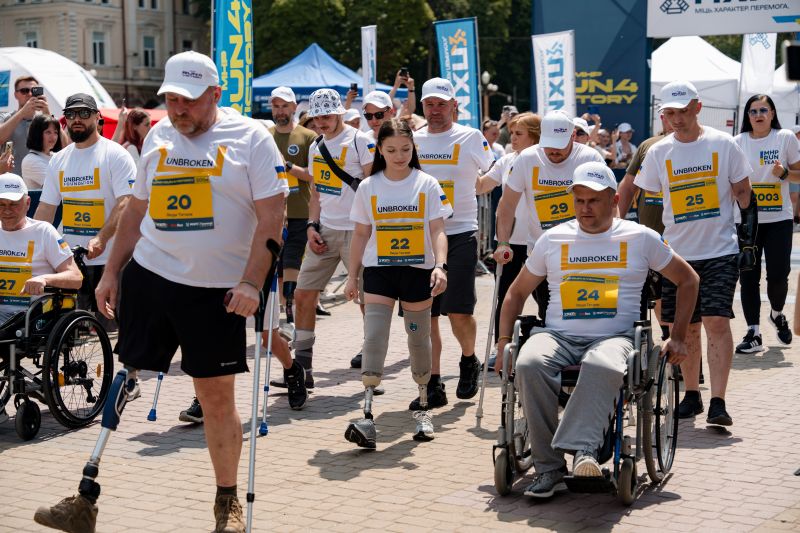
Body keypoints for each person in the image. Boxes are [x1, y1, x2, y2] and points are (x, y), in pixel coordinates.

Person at [34, 50, 288, 533]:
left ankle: (227, 503)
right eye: (171, 99)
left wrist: (252, 282)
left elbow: (271, 218)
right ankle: (84, 500)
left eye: (188, 100)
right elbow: (136, 210)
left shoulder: (251, 138)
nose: (178, 109)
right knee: (124, 377)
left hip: (216, 291)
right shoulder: (159, 135)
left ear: (215, 94)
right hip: (152, 276)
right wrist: (112, 272)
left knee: (215, 399)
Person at [494, 161, 698, 498]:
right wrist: (503, 342)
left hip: (615, 337)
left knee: (602, 364)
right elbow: (515, 293)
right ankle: (549, 469)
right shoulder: (552, 238)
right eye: (579, 201)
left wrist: (677, 336)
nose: (585, 208)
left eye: (594, 200)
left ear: (614, 199)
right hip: (557, 335)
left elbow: (688, 279)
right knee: (528, 363)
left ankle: (584, 452)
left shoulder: (640, 238)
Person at [635, 80, 755, 426]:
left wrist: (749, 241)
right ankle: (692, 394)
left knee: (717, 320)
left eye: (683, 111)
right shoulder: (659, 152)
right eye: (670, 113)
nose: (677, 119)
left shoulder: (724, 144)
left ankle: (718, 401)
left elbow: (744, 194)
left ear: (697, 107)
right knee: (685, 327)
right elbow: (647, 198)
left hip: (720, 250)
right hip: (677, 255)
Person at [343, 118, 451, 448]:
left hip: (417, 272)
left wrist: (440, 266)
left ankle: (423, 407)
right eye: (391, 150)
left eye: (405, 149)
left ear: (413, 148)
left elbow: (437, 229)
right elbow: (361, 233)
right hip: (379, 272)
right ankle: (367, 412)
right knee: (374, 337)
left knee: (418, 339)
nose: (399, 156)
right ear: (380, 150)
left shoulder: (427, 183)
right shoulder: (368, 186)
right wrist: (352, 275)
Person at [277, 88, 374, 387]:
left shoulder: (360, 141)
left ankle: (373, 368)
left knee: (368, 301)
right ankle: (303, 370)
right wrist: (311, 225)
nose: (321, 122)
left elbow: (374, 186)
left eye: (327, 116)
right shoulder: (317, 146)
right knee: (303, 294)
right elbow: (317, 191)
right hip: (325, 230)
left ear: (339, 113)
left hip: (359, 231)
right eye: (317, 117)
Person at [409, 77, 494, 409]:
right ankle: (433, 384)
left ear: (454, 106)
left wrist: (479, 188)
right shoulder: (413, 140)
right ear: (423, 106)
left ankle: (469, 359)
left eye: (441, 104)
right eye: (429, 104)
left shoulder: (470, 137)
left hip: (460, 232)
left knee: (458, 311)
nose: (435, 110)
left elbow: (492, 172)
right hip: (420, 236)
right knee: (425, 315)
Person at [33, 93, 135, 326]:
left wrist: (101, 238)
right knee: (69, 331)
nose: (77, 119)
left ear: (98, 117)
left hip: (109, 258)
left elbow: (126, 202)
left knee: (111, 329)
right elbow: (46, 208)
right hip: (70, 260)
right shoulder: (59, 160)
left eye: (84, 113)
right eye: (71, 114)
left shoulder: (115, 154)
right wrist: (35, 247)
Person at [494, 110, 605, 319]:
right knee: (549, 313)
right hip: (543, 250)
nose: (553, 150)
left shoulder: (590, 158)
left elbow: (608, 204)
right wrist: (503, 243)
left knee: (585, 313)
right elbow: (506, 204)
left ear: (573, 136)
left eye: (560, 144)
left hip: (583, 250)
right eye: (549, 144)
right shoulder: (527, 158)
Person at [733, 94, 800, 353]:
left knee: (778, 276)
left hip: (778, 220)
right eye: (753, 111)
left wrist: (785, 173)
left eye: (763, 110)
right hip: (747, 220)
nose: (758, 115)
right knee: (748, 276)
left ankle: (777, 313)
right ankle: (754, 332)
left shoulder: (785, 138)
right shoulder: (737, 142)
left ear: (772, 113)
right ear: (747, 116)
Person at [474, 112, 541, 367]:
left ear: (534, 136)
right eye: (511, 133)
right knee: (504, 296)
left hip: (539, 241)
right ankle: (500, 348)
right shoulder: (506, 160)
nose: (512, 138)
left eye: (518, 133)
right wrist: (465, 166)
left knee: (546, 297)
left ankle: (549, 347)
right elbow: (481, 186)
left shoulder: (544, 159)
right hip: (508, 241)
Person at [0, 173, 83, 323]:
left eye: (13, 204)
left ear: (27, 203)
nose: (7, 210)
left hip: (31, 317)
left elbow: (76, 278)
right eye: (1, 204)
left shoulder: (43, 232)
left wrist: (44, 279)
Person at [0, 76, 65, 176]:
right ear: (15, 95)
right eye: (24, 91)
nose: (30, 94)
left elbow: (65, 147)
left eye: (34, 91)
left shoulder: (46, 119)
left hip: (39, 180)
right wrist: (22, 113)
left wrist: (47, 113)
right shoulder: (5, 117)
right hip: (12, 182)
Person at [21, 113, 63, 190]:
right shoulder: (31, 160)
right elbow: (59, 186)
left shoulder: (56, 156)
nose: (53, 137)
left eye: (56, 132)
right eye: (48, 132)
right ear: (37, 134)